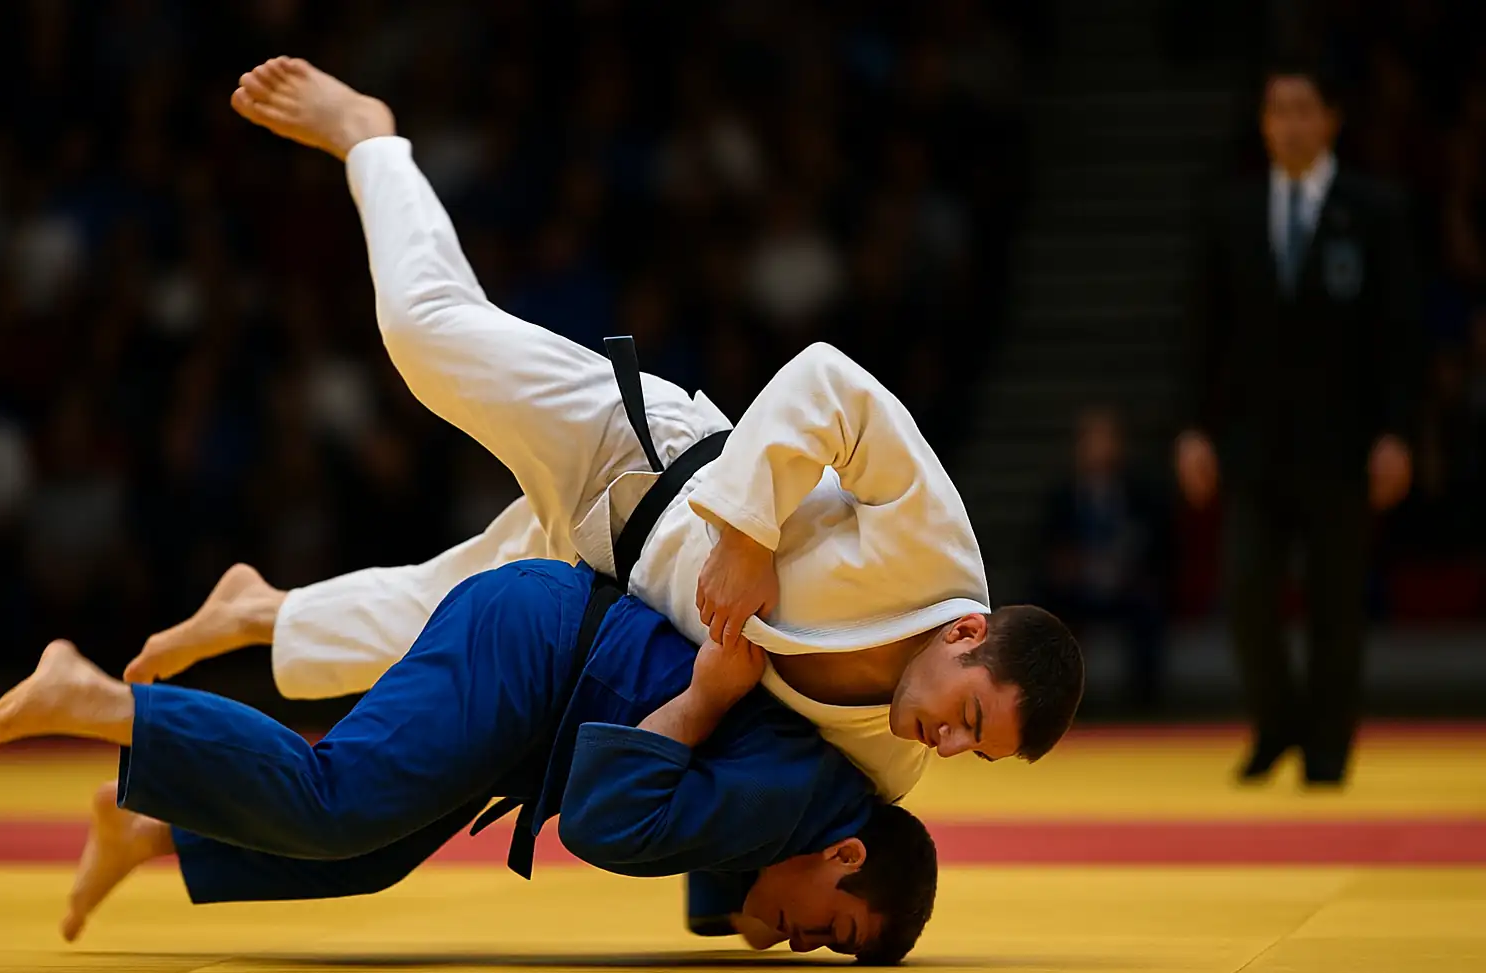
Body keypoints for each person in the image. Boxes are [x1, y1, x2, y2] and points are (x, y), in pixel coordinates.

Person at [120, 57, 1084, 802]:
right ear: (968, 631)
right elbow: (828, 382)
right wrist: (748, 537)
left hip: (604, 571)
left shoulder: (889, 763)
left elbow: (798, 810)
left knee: (430, 623)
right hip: (636, 454)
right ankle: (374, 140)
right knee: (424, 335)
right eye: (967, 716)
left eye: (975, 749)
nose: (948, 747)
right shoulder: (934, 542)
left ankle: (258, 609)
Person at [0, 560, 936, 965]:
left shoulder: (808, 807)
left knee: (367, 851)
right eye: (831, 931)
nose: (806, 944)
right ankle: (105, 699)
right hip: (534, 649)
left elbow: (692, 834)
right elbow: (603, 822)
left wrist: (750, 910)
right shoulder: (793, 807)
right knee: (336, 800)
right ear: (844, 856)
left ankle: (149, 827)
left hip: (541, 666)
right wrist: (705, 702)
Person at [1178, 57, 1419, 784]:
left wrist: (1399, 434)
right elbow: (1203, 334)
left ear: (1331, 119)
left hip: (1345, 444)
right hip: (1254, 444)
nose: (1290, 123)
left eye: (1304, 109)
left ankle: (1327, 745)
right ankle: (1277, 720)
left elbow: (1401, 332)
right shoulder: (1233, 211)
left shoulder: (1376, 210)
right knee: (1247, 590)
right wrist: (1194, 429)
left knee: (1334, 603)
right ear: (1262, 122)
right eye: (1277, 110)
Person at [1038, 408, 1168, 710]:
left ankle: (1145, 702)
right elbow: (1048, 547)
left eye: (1107, 439)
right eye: (1092, 440)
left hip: (1125, 585)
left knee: (1149, 606)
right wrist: (1067, 566)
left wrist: (1131, 571)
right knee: (1047, 605)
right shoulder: (1062, 495)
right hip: (1078, 586)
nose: (1100, 448)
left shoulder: (1140, 493)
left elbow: (1157, 546)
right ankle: (1055, 700)